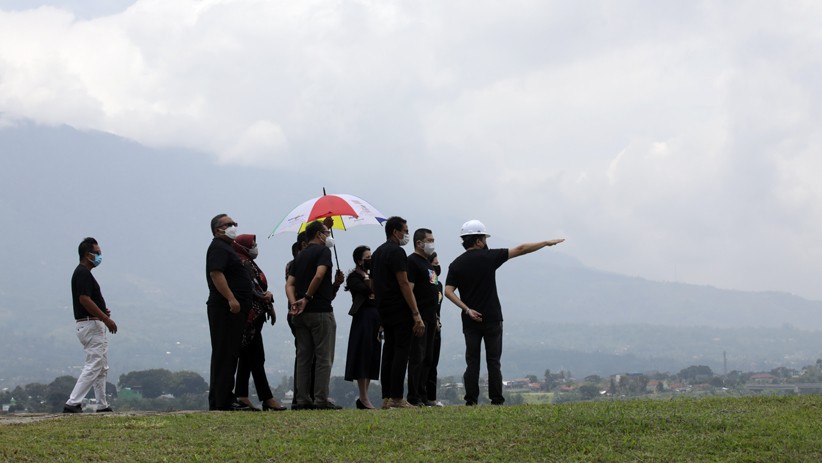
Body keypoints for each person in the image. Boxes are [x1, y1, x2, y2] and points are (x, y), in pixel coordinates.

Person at [445, 220, 564, 406]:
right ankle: (496, 399)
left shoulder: (456, 264)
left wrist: (467, 309)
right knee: (493, 361)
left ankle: (471, 400)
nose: (485, 242)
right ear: (478, 240)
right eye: (484, 238)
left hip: (470, 321)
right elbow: (522, 248)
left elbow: (448, 292)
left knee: (472, 361)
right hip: (492, 317)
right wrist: (545, 243)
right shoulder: (490, 257)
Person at [370, 216, 425, 409]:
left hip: (383, 309)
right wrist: (415, 313)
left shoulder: (377, 253)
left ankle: (386, 397)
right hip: (399, 309)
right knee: (402, 351)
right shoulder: (397, 252)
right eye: (405, 231)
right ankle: (397, 397)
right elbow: (403, 282)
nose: (406, 235)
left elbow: (373, 283)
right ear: (395, 232)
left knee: (389, 351)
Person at [286, 220, 342, 410]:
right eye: (326, 232)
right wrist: (307, 298)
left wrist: (295, 302)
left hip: (300, 314)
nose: (328, 235)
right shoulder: (323, 252)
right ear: (319, 234)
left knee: (304, 356)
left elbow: (290, 284)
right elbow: (319, 275)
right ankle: (320, 399)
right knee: (323, 357)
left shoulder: (299, 257)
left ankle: (302, 399)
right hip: (320, 311)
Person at [232, 234, 287, 411]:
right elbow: (252, 286)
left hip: (252, 315)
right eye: (253, 244)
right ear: (244, 246)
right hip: (250, 317)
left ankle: (242, 395)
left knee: (247, 358)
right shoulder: (243, 263)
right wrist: (266, 297)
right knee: (256, 357)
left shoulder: (245, 261)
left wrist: (267, 302)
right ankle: (267, 397)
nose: (255, 247)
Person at [63, 237, 118, 413]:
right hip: (90, 326)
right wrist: (105, 318)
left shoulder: (83, 274)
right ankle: (73, 402)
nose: (100, 256)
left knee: (101, 365)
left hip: (91, 323)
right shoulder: (83, 273)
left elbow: (88, 300)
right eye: (98, 253)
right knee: (95, 363)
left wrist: (101, 311)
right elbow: (84, 300)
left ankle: (102, 404)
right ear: (88, 255)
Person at [206, 214, 254, 411]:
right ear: (218, 229)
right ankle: (223, 398)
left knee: (229, 352)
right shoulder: (218, 247)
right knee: (225, 352)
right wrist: (231, 298)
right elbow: (216, 273)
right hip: (225, 308)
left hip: (233, 308)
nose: (234, 226)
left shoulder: (227, 248)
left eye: (235, 224)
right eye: (229, 224)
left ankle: (222, 397)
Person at [343, 245, 381, 410]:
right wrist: (369, 279)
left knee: (372, 355)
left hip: (376, 318)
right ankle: (363, 397)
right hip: (363, 318)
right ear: (359, 260)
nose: (370, 260)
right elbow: (366, 290)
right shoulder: (353, 277)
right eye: (367, 257)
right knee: (362, 355)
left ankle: (364, 396)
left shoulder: (374, 275)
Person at [406, 228, 440, 406]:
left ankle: (423, 393)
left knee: (428, 358)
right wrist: (415, 315)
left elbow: (433, 289)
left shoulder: (428, 263)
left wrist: (435, 318)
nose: (432, 243)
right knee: (417, 357)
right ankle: (413, 396)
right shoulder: (412, 262)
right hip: (419, 318)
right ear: (419, 243)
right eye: (430, 240)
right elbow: (408, 289)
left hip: (431, 317)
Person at [425, 252, 445, 406]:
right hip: (426, 325)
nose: (437, 266)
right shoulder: (423, 283)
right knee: (423, 361)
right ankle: (420, 395)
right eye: (435, 264)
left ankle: (431, 397)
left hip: (436, 328)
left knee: (433, 362)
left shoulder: (438, 284)